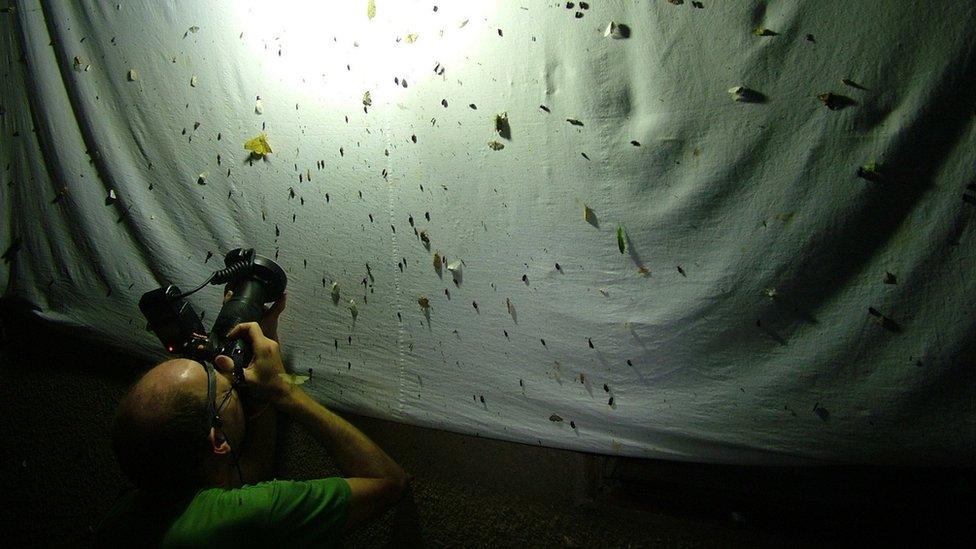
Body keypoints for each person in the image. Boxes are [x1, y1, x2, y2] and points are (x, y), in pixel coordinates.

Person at [98, 292, 408, 546]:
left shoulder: (125, 515)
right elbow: (388, 481)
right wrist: (284, 392)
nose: (223, 372)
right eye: (223, 386)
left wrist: (258, 391)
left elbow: (246, 476)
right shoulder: (254, 514)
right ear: (217, 439)